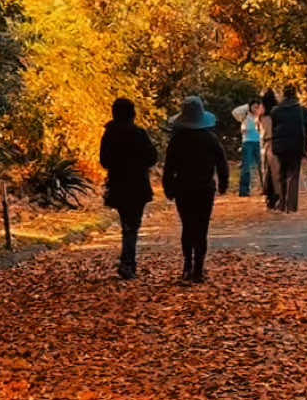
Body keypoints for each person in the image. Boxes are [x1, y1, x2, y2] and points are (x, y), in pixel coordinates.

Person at [162, 96, 229, 282]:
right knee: (202, 227)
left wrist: (168, 188)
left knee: (187, 226)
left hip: (183, 188)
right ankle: (198, 268)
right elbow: (222, 163)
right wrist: (223, 183)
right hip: (205, 188)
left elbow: (169, 167)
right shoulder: (210, 139)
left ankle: (187, 264)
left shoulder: (176, 140)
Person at [99, 96, 158, 280]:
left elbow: (104, 160)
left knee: (127, 222)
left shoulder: (109, 133)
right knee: (133, 225)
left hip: (118, 184)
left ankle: (128, 261)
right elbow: (152, 157)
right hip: (138, 184)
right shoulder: (139, 133)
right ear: (132, 113)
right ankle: (128, 263)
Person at [270, 84, 307, 213]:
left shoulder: (275, 111)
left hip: (280, 146)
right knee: (294, 175)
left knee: (281, 174)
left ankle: (282, 203)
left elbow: (273, 128)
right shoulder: (302, 110)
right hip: (296, 145)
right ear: (296, 94)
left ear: (283, 94)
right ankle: (292, 206)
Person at [232, 98, 262, 197]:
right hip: (247, 142)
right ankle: (244, 191)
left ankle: (264, 188)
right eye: (254, 107)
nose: (256, 109)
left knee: (261, 166)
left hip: (259, 142)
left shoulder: (260, 116)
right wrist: (248, 105)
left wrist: (258, 109)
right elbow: (234, 112)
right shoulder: (244, 115)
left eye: (257, 107)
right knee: (246, 167)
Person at [257, 88, 280, 209]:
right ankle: (278, 196)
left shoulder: (262, 113)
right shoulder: (278, 112)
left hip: (267, 144)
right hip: (278, 142)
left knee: (268, 172)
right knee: (277, 172)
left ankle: (270, 198)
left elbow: (259, 127)